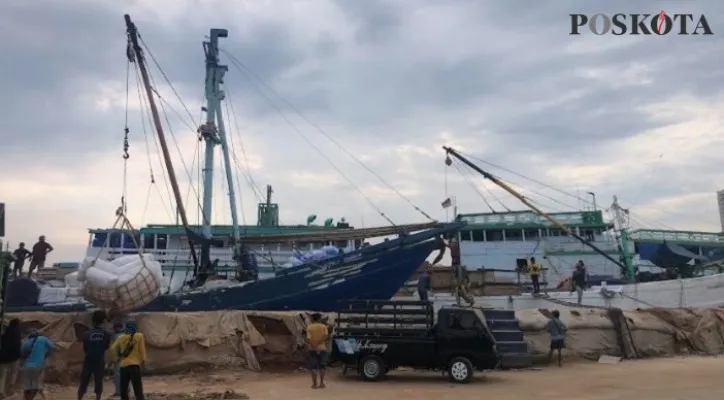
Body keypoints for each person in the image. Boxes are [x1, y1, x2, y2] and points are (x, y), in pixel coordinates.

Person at [78, 311, 111, 400]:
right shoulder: (107, 334)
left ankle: (79, 398)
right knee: (98, 381)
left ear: (93, 321)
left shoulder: (86, 334)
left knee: (84, 382)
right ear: (103, 321)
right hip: (99, 360)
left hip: (88, 360)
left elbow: (85, 348)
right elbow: (106, 347)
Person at [109, 320, 146, 400]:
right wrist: (143, 361)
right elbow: (142, 350)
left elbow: (112, 349)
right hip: (135, 366)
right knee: (138, 388)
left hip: (123, 366)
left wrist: (115, 358)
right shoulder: (139, 336)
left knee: (124, 389)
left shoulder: (121, 337)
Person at [20, 329, 55, 400]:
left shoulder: (26, 342)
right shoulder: (43, 339)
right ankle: (45, 396)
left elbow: (22, 354)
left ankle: (27, 397)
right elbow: (52, 347)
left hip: (28, 366)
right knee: (39, 385)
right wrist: (47, 354)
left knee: (28, 387)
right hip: (39, 366)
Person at [305, 313, 329, 389]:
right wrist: (319, 343)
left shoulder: (309, 327)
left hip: (312, 349)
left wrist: (315, 346)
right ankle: (321, 383)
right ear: (319, 319)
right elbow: (326, 336)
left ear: (312, 319)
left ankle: (314, 384)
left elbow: (309, 339)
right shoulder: (324, 326)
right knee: (322, 366)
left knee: (313, 367)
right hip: (322, 348)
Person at [0, 319, 22, 398]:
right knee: (13, 373)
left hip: (3, 357)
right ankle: (10, 389)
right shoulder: (18, 332)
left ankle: (1, 392)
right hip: (14, 357)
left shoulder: (5, 331)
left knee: (2, 376)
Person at [111, 322, 125, 397]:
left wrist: (116, 358)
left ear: (116, 328)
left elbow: (115, 349)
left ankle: (119, 392)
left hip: (119, 360)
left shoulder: (117, 336)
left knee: (118, 376)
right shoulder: (126, 335)